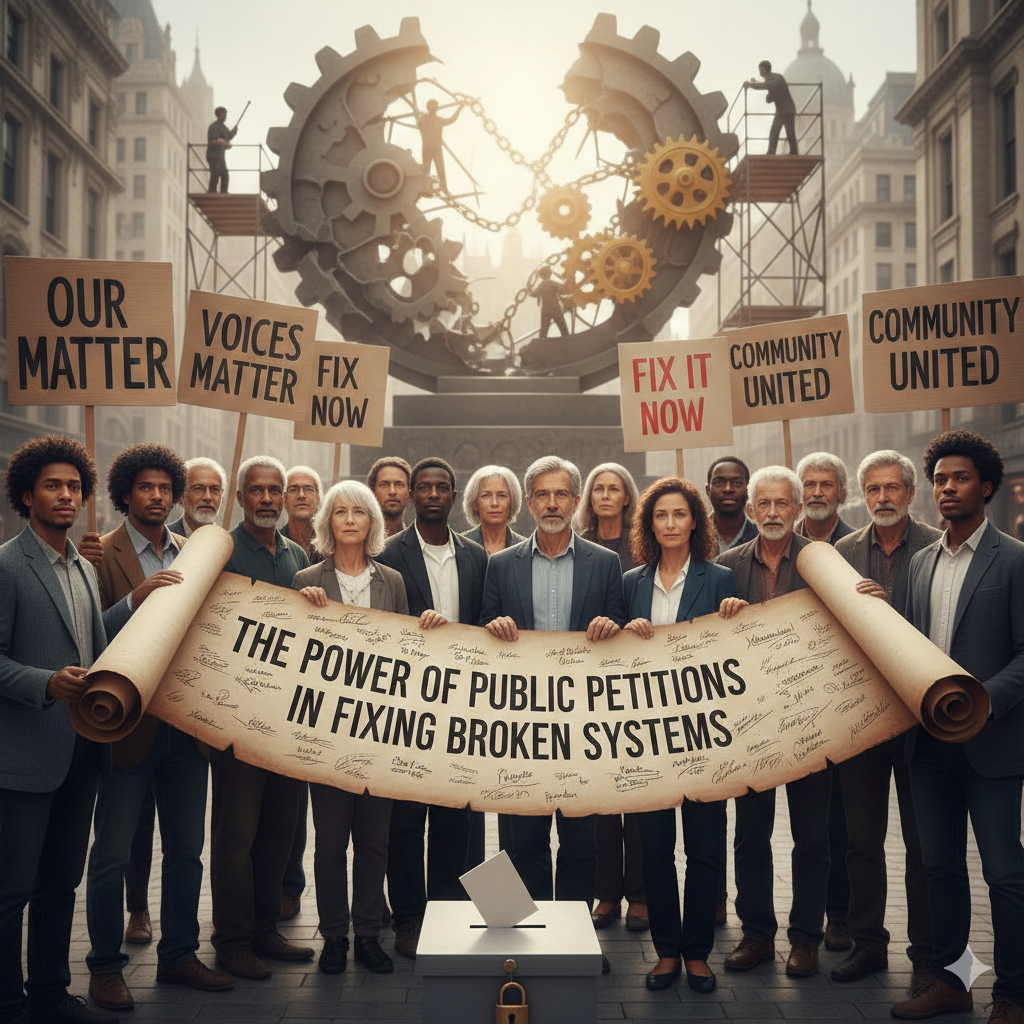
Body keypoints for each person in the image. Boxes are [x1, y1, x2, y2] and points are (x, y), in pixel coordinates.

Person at [85, 444, 232, 1011]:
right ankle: (103, 967)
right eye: (145, 488)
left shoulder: (194, 552)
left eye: (165, 489)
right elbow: (90, 633)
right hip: (126, 726)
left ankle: (179, 956)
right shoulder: (98, 554)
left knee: (187, 851)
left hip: (184, 726)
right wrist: (133, 602)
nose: (157, 497)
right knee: (113, 853)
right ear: (125, 494)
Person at [892, 430, 1024, 1024]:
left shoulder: (1016, 560)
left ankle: (1013, 993)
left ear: (987, 487)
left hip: (992, 746)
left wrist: (981, 702)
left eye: (961, 478)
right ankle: (953, 980)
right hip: (927, 748)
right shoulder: (920, 563)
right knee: (940, 869)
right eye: (941, 479)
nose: (947, 488)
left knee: (1004, 873)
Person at [479, 455, 626, 973]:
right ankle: (534, 940)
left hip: (584, 729)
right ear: (530, 499)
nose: (551, 503)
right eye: (542, 494)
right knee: (527, 841)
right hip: (522, 729)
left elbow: (626, 639)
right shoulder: (501, 566)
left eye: (561, 494)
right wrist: (492, 628)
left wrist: (615, 628)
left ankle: (576, 937)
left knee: (581, 844)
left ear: (575, 500)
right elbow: (481, 633)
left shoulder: (606, 566)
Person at [0, 435, 116, 1024]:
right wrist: (45, 682)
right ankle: (7, 1002)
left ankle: (49, 994)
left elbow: (94, 650)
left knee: (59, 884)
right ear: (27, 495)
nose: (66, 495)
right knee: (11, 890)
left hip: (79, 755)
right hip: (23, 758)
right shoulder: (6, 564)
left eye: (74, 486)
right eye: (53, 485)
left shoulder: (84, 569)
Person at [622, 477, 737, 994]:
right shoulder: (629, 584)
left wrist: (737, 617)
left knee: (705, 849)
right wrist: (621, 630)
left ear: (696, 522)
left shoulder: (721, 580)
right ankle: (666, 950)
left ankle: (697, 953)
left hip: (702, 736)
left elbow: (735, 655)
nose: (670, 524)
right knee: (654, 850)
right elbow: (612, 657)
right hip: (645, 735)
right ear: (650, 525)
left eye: (679, 515)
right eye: (660, 516)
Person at [716, 466, 830, 978]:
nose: (772, 513)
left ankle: (806, 939)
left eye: (782, 503)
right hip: (750, 723)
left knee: (812, 837)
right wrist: (723, 617)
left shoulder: (824, 561)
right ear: (750, 508)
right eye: (763, 503)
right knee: (750, 835)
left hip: (812, 717)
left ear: (798, 507)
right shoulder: (724, 566)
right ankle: (757, 934)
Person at [832, 451, 940, 989]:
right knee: (861, 841)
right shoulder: (842, 552)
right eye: (872, 489)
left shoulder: (937, 547)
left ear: (911, 493)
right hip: (862, 714)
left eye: (892, 488)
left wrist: (890, 606)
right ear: (862, 494)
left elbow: (944, 627)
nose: (882, 499)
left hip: (922, 720)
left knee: (925, 846)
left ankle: (928, 956)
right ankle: (867, 944)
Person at [292, 481, 408, 978]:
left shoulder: (393, 581)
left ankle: (368, 936)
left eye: (359, 512)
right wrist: (305, 613)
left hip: (380, 732)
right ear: (327, 522)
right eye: (340, 512)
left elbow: (409, 652)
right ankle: (334, 936)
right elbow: (294, 657)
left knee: (374, 842)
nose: (350, 520)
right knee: (331, 841)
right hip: (327, 732)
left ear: (372, 523)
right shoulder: (306, 578)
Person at [376, 457, 487, 959]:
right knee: (404, 822)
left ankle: (445, 911)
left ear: (453, 493)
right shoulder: (388, 554)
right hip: (407, 705)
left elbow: (487, 621)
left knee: (454, 820)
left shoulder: (477, 556)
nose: (434, 494)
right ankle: (408, 919)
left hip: (463, 707)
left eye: (443, 486)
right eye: (425, 487)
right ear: (414, 496)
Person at [210, 456, 313, 980]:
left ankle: (265, 930)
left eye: (277, 490)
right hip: (235, 718)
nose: (269, 499)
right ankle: (231, 940)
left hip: (287, 720)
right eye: (259, 490)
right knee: (237, 837)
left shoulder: (299, 554)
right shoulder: (221, 551)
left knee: (280, 832)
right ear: (241, 496)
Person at [573, 462, 646, 932]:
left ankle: (640, 894)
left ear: (627, 497)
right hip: (584, 687)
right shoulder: (578, 546)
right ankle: (606, 893)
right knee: (599, 797)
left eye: (613, 488)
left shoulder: (644, 546)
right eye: (596, 488)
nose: (604, 495)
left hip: (635, 684)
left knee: (636, 796)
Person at [794, 451, 854, 954]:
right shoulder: (779, 547)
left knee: (837, 822)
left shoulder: (855, 546)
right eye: (808, 484)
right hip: (784, 707)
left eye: (825, 484)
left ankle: (841, 916)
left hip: (842, 705)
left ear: (842, 492)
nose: (816, 492)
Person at [279, 465, 323, 922]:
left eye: (311, 488)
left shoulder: (333, 542)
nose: (301, 495)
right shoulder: (281, 551)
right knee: (290, 810)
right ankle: (287, 886)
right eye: (295, 489)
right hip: (290, 694)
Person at [461, 465, 525, 556]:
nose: (494, 503)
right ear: (475, 503)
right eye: (486, 495)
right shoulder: (458, 545)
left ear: (512, 502)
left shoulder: (525, 549)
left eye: (502, 495)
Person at [706, 456, 758, 556]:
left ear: (748, 490)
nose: (728, 489)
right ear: (708, 490)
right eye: (719, 482)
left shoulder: (761, 536)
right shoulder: (693, 537)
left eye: (737, 483)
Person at [749, 60, 798, 155]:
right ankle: (787, 151)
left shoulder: (776, 78)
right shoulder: (774, 78)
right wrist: (756, 84)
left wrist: (752, 85)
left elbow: (768, 87)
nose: (760, 72)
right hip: (784, 110)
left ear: (766, 70)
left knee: (786, 133)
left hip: (786, 111)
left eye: (761, 70)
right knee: (778, 132)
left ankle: (785, 152)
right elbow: (770, 96)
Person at [170, 458, 226, 537]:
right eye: (198, 489)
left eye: (215, 489)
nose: (208, 497)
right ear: (181, 495)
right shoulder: (162, 539)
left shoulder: (229, 543)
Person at [417, 98, 463, 192]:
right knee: (426, 171)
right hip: (427, 149)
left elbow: (452, 119)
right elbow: (418, 123)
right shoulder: (423, 119)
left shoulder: (437, 120)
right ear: (428, 107)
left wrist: (460, 108)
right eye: (432, 105)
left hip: (436, 149)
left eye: (435, 105)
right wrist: (421, 115)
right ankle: (424, 189)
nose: (434, 107)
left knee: (441, 171)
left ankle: (444, 189)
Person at [367, 457, 412, 538]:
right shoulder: (359, 542)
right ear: (372, 492)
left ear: (409, 492)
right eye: (384, 484)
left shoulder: (418, 542)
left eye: (399, 485)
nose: (392, 491)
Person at [530, 266, 569, 339]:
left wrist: (529, 289)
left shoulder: (541, 285)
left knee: (543, 332)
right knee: (563, 330)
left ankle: (542, 345)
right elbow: (563, 290)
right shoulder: (552, 283)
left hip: (545, 310)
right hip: (555, 309)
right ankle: (567, 341)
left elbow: (534, 294)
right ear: (549, 274)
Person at [207, 106, 237, 193]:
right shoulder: (213, 127)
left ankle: (223, 193)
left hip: (220, 156)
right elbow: (212, 141)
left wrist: (233, 132)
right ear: (219, 114)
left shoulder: (223, 127)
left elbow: (228, 137)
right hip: (213, 156)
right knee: (215, 174)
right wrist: (221, 142)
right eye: (224, 114)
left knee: (225, 175)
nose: (225, 116)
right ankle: (212, 191)